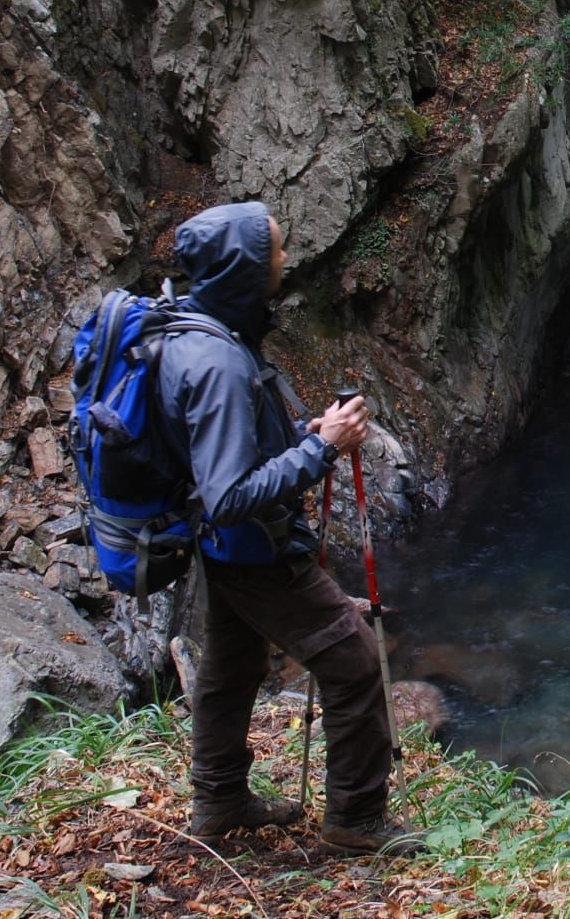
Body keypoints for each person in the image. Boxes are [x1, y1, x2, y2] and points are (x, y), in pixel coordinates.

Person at [158, 201, 418, 855]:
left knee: (231, 663)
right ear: (245, 268)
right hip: (253, 547)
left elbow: (224, 452)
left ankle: (219, 799)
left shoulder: (201, 332)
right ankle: (357, 823)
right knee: (354, 659)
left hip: (222, 548)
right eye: (275, 250)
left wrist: (302, 436)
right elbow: (228, 495)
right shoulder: (219, 362)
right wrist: (322, 448)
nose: (286, 259)